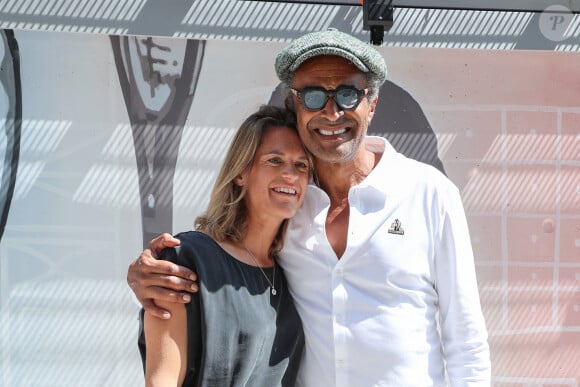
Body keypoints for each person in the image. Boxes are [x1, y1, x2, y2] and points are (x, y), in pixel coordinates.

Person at [128, 29, 491, 385]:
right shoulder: (287, 205)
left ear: (372, 104)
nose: (332, 113)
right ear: (294, 105)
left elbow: (466, 342)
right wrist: (146, 274)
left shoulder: (429, 193)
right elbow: (229, 258)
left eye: (348, 94)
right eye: (314, 96)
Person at [140, 105, 309, 386]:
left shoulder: (294, 270)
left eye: (301, 165)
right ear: (241, 172)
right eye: (274, 160)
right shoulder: (186, 258)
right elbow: (162, 380)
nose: (290, 174)